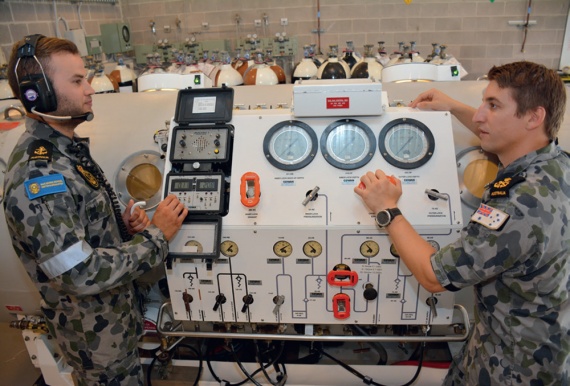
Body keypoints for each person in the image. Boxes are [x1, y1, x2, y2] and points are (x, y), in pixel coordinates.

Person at [354, 61, 569, 385]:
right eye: (483, 102)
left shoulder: (520, 205)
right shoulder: (556, 163)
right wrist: (453, 107)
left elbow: (433, 276)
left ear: (534, 117)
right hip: (542, 345)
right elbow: (505, 134)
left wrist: (386, 209)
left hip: (511, 368)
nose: (480, 115)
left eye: (493, 105)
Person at [3, 35, 188, 385]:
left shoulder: (66, 152)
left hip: (114, 325)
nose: (90, 89)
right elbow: (78, 273)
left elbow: (79, 233)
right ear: (37, 93)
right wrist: (155, 236)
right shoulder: (39, 175)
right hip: (96, 342)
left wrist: (124, 228)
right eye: (76, 81)